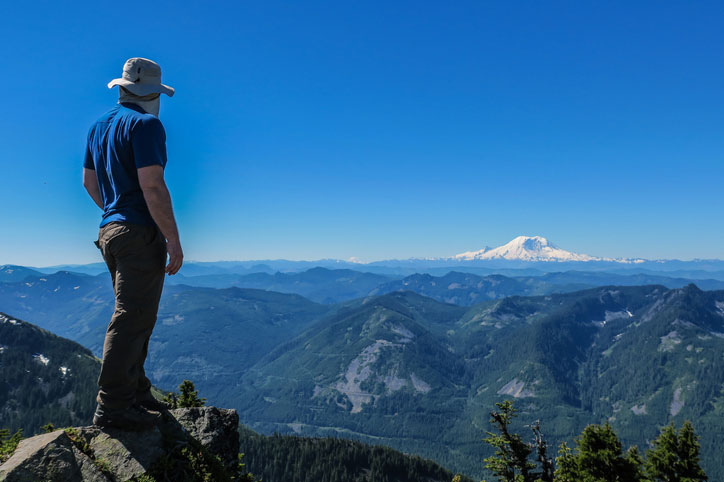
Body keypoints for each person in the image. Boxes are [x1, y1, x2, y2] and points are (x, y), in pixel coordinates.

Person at [82, 57, 183, 430]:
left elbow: (89, 184)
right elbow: (152, 185)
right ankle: (113, 405)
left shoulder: (97, 127)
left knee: (136, 314)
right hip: (138, 231)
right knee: (132, 316)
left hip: (109, 231)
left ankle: (137, 390)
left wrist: (114, 212)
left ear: (122, 87)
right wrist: (172, 239)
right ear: (153, 92)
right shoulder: (147, 126)